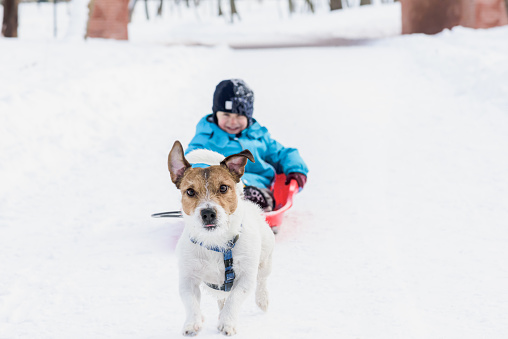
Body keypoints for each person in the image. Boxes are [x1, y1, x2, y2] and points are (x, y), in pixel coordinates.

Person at [185, 79, 308, 211]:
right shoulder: (206, 137)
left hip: (256, 188)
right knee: (218, 197)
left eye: (239, 116)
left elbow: (283, 154)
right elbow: (192, 159)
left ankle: (256, 214)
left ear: (248, 117)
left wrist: (296, 169)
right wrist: (207, 174)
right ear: (216, 114)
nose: (232, 121)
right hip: (217, 190)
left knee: (255, 198)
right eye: (226, 115)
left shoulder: (259, 137)